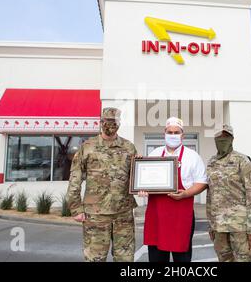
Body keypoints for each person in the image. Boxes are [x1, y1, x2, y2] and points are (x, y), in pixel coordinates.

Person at [66, 107, 137, 262]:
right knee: (95, 259)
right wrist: (75, 208)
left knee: (125, 258)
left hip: (123, 213)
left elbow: (136, 177)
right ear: (101, 122)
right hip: (96, 215)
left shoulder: (128, 147)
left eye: (114, 121)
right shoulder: (87, 147)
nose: (110, 125)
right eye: (107, 121)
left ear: (119, 123)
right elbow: (75, 179)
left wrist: (144, 186)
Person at [139, 117, 207, 262]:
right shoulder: (154, 154)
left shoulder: (192, 157)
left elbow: (202, 182)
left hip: (181, 214)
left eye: (176, 132)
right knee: (157, 258)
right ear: (164, 133)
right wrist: (142, 189)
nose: (173, 135)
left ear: (183, 135)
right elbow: (144, 180)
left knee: (182, 258)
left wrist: (186, 193)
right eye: (170, 132)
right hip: (157, 214)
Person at [206, 125, 251, 262]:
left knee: (244, 260)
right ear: (215, 139)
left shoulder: (242, 161)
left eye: (226, 137)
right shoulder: (211, 163)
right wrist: (211, 225)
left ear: (232, 139)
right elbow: (211, 195)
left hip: (241, 227)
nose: (222, 140)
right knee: (224, 260)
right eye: (219, 137)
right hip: (219, 226)